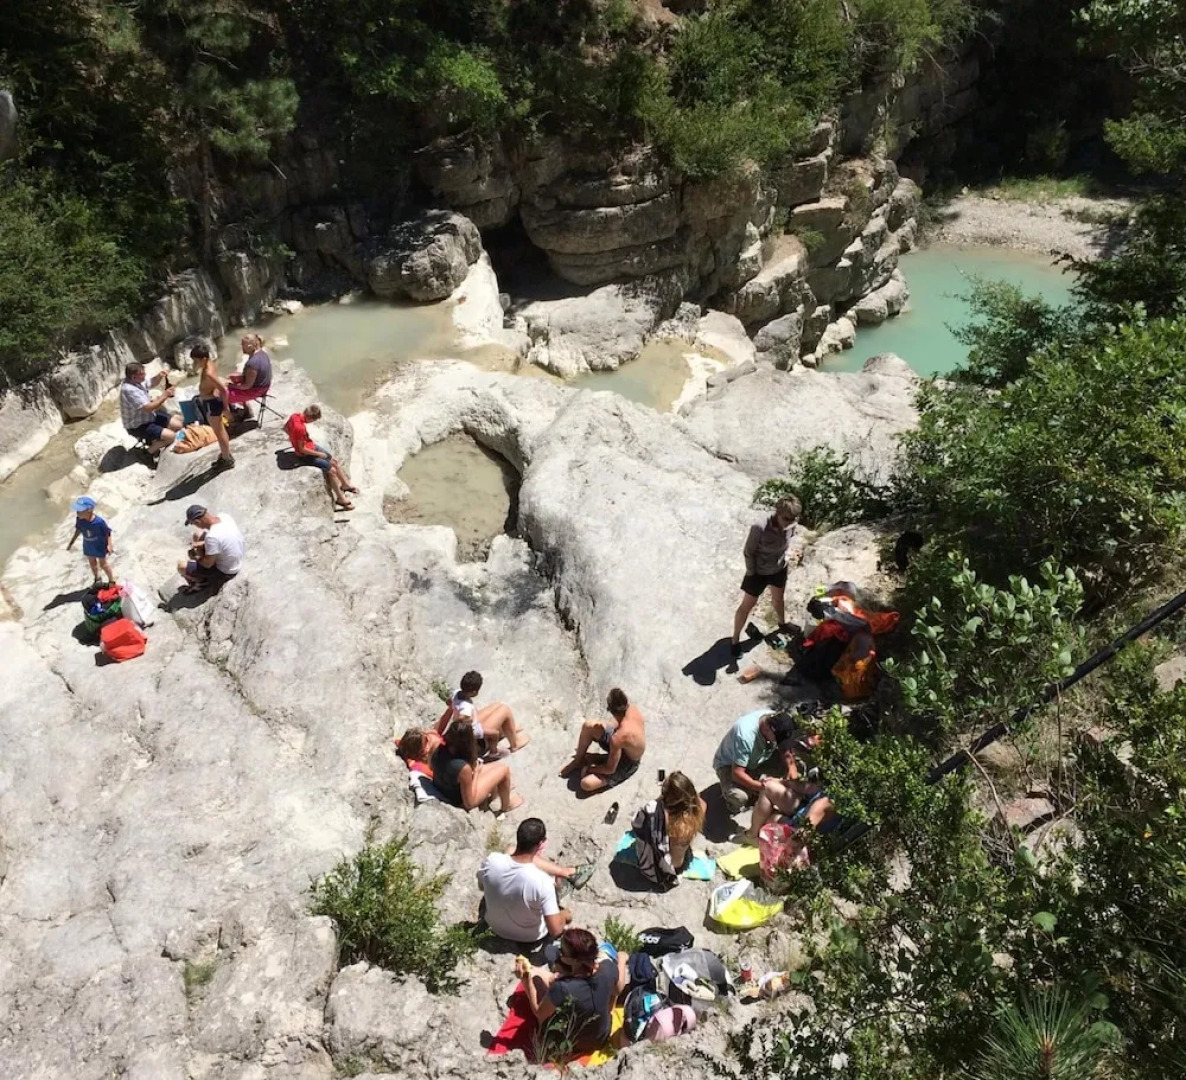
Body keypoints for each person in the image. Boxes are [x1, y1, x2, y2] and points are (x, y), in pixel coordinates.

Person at [521, 928, 627, 1057]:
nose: (560, 954)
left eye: (561, 952)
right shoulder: (608, 968)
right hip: (601, 1038)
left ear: (573, 961)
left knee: (536, 978)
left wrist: (526, 980)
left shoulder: (563, 988)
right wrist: (621, 960)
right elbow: (618, 989)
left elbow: (539, 1013)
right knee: (609, 994)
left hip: (569, 1044)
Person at [478, 818, 576, 945]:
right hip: (529, 936)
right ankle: (561, 874)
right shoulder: (543, 882)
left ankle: (561, 871)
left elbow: (482, 886)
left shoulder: (492, 861)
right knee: (554, 890)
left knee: (509, 849)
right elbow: (556, 930)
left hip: (495, 926)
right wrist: (564, 915)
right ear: (541, 845)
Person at [731, 496, 803, 664]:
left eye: (793, 519)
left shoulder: (791, 524)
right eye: (786, 518)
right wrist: (751, 573)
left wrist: (788, 555)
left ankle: (782, 623)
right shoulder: (759, 527)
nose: (789, 523)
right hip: (758, 572)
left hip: (779, 568)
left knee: (778, 599)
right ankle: (734, 640)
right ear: (777, 513)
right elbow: (748, 552)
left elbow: (788, 540)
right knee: (746, 607)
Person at [712, 710, 801, 816]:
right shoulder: (745, 735)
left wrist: (792, 767)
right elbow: (737, 773)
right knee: (739, 796)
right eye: (777, 740)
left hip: (758, 758)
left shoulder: (776, 719)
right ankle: (732, 802)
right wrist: (763, 788)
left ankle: (755, 783)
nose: (778, 742)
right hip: (730, 765)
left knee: (798, 765)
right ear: (768, 730)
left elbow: (785, 750)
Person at [558, 688, 646, 794]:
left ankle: (597, 759)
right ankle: (578, 760)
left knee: (586, 783)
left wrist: (590, 769)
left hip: (627, 763)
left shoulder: (619, 737)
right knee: (589, 726)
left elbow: (610, 769)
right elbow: (615, 724)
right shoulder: (631, 708)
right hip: (621, 745)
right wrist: (601, 729)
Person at [632, 770, 707, 887]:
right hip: (680, 860)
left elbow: (637, 823)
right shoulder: (701, 806)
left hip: (667, 869)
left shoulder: (667, 821)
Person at [430, 722, 524, 813]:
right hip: (458, 800)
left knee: (494, 769)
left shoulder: (436, 746)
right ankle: (506, 807)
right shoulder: (463, 768)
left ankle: (498, 791)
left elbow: (431, 767)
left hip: (442, 787)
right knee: (504, 770)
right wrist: (476, 774)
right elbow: (469, 804)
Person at [436, 670, 530, 755]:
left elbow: (449, 702)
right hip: (473, 738)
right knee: (505, 710)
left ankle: (509, 730)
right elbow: (462, 722)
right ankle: (514, 745)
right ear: (474, 692)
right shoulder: (465, 711)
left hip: (470, 726)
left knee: (497, 706)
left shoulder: (456, 693)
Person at [284, 405, 359, 511]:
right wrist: (318, 454)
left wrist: (293, 438)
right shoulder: (300, 428)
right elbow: (302, 450)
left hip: (311, 445)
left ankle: (345, 485)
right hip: (306, 455)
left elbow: (286, 428)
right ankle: (341, 498)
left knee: (334, 461)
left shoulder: (294, 416)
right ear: (311, 418)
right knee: (331, 471)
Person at [745, 778, 838, 843]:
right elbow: (808, 788)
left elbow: (804, 832)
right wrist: (782, 781)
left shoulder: (824, 804)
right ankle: (752, 834)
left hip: (802, 828)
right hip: (803, 808)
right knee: (768, 787)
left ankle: (754, 836)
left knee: (769, 821)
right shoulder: (834, 788)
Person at [177, 505, 246, 593]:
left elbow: (207, 564)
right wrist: (202, 544)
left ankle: (200, 583)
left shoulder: (212, 537)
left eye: (193, 523)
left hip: (226, 572)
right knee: (198, 534)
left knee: (181, 566)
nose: (196, 526)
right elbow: (223, 538)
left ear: (197, 521)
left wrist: (196, 557)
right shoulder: (224, 517)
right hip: (237, 558)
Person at [120, 361, 182, 455]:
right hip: (139, 425)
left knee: (178, 425)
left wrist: (159, 376)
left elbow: (150, 383)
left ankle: (155, 439)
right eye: (142, 374)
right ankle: (147, 453)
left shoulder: (136, 381)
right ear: (134, 377)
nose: (145, 375)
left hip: (149, 416)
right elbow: (147, 408)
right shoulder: (129, 390)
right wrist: (164, 395)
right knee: (171, 437)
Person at [190, 343, 234, 469]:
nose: (194, 363)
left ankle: (226, 459)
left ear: (203, 359)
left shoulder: (208, 372)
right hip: (210, 400)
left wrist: (226, 408)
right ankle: (226, 454)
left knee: (219, 432)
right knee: (220, 430)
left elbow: (222, 389)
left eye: (196, 361)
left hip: (211, 403)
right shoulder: (209, 364)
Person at [66, 496, 115, 586]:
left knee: (103, 564)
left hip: (99, 546)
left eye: (80, 511)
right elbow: (78, 530)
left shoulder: (99, 522)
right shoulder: (80, 520)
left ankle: (112, 580)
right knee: (92, 563)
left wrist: (109, 545)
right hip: (88, 545)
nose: (77, 513)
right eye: (77, 510)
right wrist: (71, 542)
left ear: (89, 510)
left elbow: (107, 533)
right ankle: (97, 578)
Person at [227, 333, 273, 414]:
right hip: (264, 386)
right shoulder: (263, 354)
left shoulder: (252, 363)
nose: (242, 348)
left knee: (221, 394)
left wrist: (230, 386)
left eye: (243, 345)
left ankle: (233, 416)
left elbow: (247, 386)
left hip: (256, 390)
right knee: (232, 377)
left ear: (250, 346)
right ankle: (243, 408)